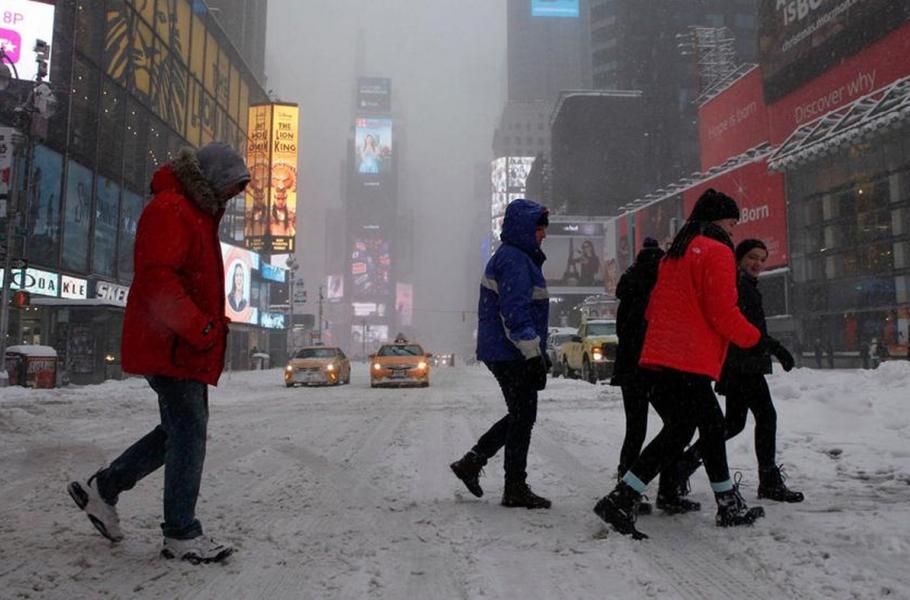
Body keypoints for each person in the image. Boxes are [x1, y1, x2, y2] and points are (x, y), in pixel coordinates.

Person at [67, 142, 250, 564]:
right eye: (230, 187)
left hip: (181, 345)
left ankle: (105, 489)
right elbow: (158, 283)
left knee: (176, 432)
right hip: (174, 344)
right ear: (210, 179)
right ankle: (181, 533)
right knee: (189, 436)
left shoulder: (193, 212)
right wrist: (200, 327)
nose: (232, 196)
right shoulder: (172, 209)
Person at [593, 189, 765, 539]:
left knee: (683, 430)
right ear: (718, 221)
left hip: (662, 356)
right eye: (731, 225)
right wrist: (756, 339)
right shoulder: (716, 251)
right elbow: (722, 312)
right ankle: (720, 503)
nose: (733, 233)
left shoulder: (676, 253)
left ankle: (626, 496)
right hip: (689, 359)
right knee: (707, 427)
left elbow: (656, 309)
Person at [675, 239, 803, 504]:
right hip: (741, 365)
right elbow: (740, 328)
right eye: (752, 258)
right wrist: (775, 348)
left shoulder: (745, 285)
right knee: (765, 416)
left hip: (741, 365)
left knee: (733, 423)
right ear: (739, 259)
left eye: (762, 259)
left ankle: (683, 465)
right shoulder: (740, 286)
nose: (757, 263)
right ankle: (768, 480)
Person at [450, 199, 552, 509]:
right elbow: (514, 312)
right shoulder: (515, 260)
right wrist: (532, 353)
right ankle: (513, 487)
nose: (543, 235)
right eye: (540, 229)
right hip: (509, 352)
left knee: (521, 415)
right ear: (526, 229)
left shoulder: (515, 258)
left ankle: (474, 462)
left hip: (505, 350)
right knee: (523, 416)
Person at [610, 237, 699, 515]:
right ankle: (668, 491)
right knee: (675, 427)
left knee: (636, 429)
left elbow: (626, 333)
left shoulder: (629, 287)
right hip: (657, 367)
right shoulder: (660, 286)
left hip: (630, 369)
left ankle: (627, 485)